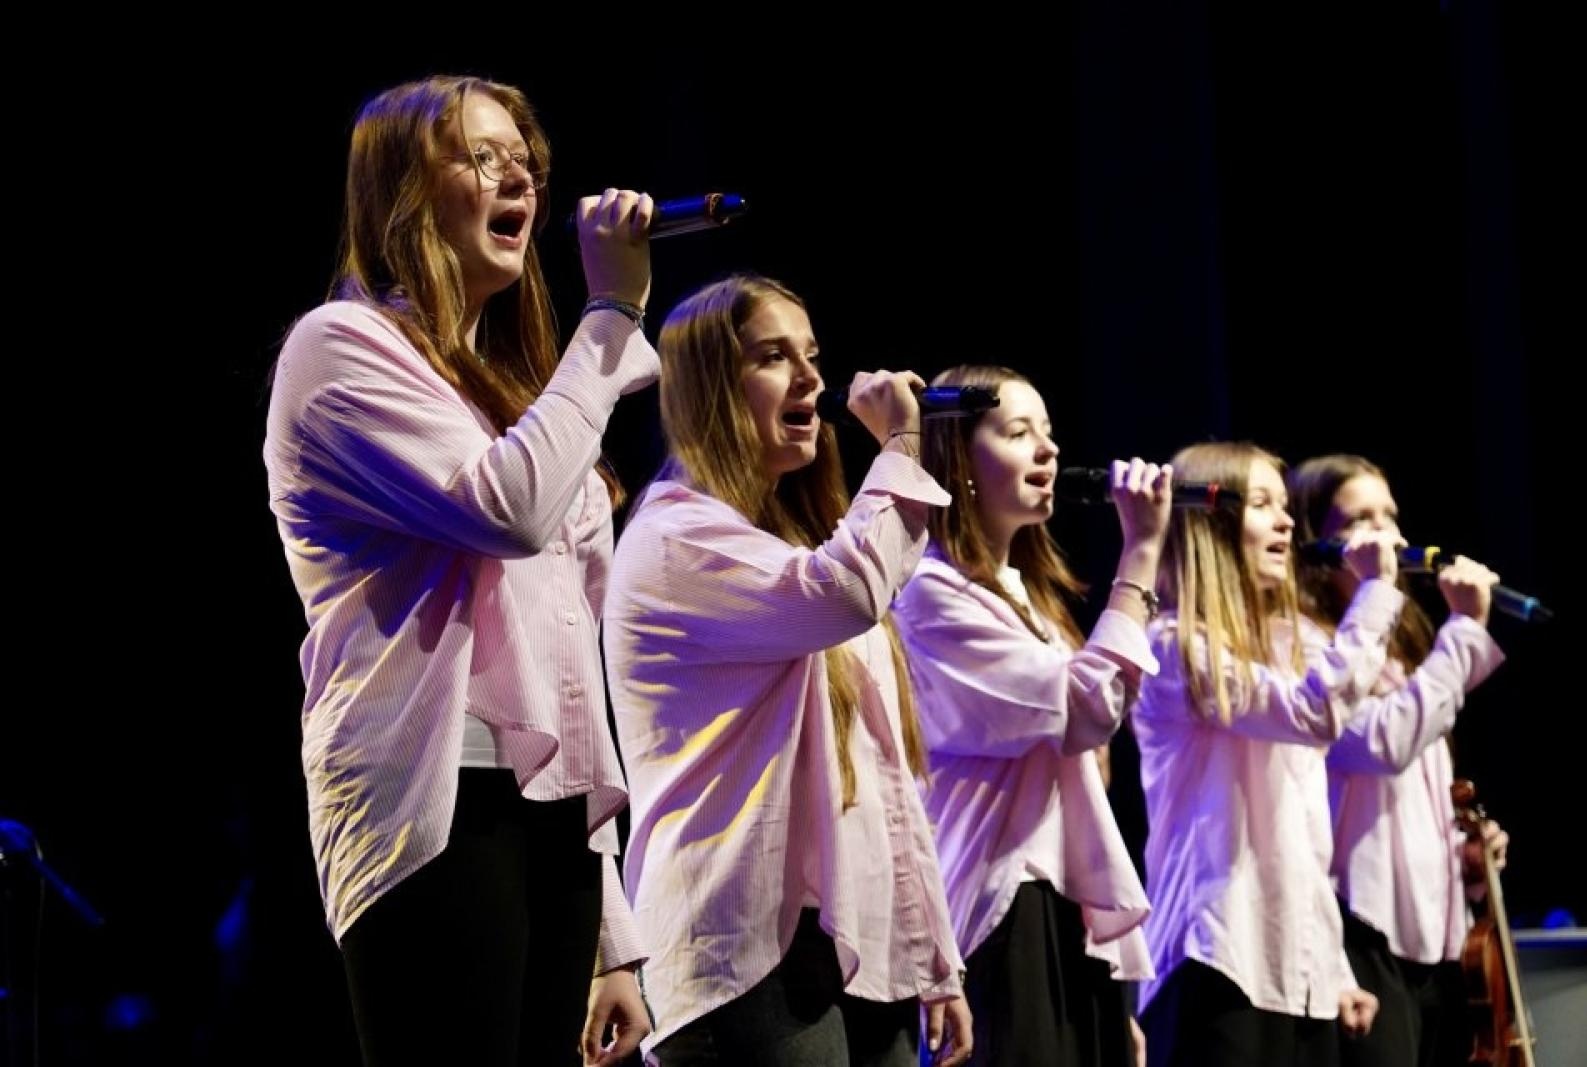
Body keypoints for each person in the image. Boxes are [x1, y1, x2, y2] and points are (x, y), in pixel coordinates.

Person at [263, 75, 654, 1066]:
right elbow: (508, 511)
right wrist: (609, 314)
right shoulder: (339, 347)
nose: (516, 173)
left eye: (524, 159)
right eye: (481, 157)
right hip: (435, 801)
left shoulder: (522, 404)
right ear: (401, 191)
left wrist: (612, 928)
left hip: (552, 822)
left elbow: (568, 667)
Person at [602, 274, 974, 1065]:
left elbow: (879, 773)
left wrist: (931, 952)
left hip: (846, 947)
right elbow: (847, 593)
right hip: (738, 953)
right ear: (711, 387)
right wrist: (902, 448)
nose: (811, 379)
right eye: (774, 357)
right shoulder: (677, 537)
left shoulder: (789, 545)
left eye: (812, 355)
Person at [890, 364, 1171, 1066]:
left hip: (1061, 899)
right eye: (1018, 433)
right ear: (960, 460)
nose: (1047, 450)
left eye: (1048, 432)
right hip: (1000, 902)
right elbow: (1084, 709)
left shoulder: (1028, 600)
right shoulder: (930, 593)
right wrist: (1138, 554)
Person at [1131, 442, 1392, 1067]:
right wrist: (1376, 592)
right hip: (1217, 958)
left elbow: (1302, 837)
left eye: (1285, 506)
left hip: (1296, 974)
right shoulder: (1174, 647)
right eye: (1262, 504)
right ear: (1213, 522)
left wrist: (1331, 964)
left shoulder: (1288, 647)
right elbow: (1317, 711)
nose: (1285, 522)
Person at [1290, 454, 1508, 1067]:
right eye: (1362, 518)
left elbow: (1410, 787)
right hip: (1361, 927)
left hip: (1436, 936)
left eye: (1391, 515)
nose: (1387, 533)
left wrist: (1465, 852)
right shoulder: (1309, 645)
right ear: (1318, 543)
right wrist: (1465, 629)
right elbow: (1383, 744)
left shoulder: (1403, 649)